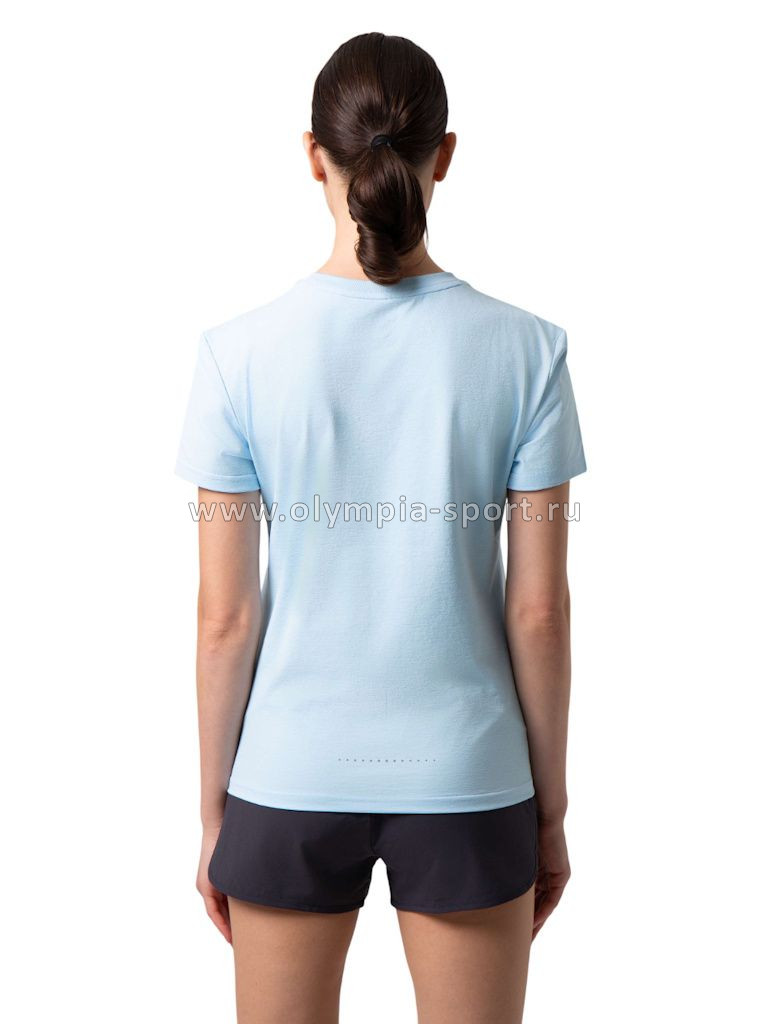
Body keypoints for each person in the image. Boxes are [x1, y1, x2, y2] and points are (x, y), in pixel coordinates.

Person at [175, 31, 586, 1024]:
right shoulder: (528, 351)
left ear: (311, 153)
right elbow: (538, 610)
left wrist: (216, 808)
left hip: (288, 773)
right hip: (471, 774)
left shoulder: (236, 356)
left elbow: (225, 618)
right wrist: (550, 808)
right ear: (445, 155)